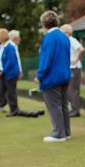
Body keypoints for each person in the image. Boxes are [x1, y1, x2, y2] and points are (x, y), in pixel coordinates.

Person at [34, 10, 71, 142]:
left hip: (52, 78)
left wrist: (39, 76)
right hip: (65, 76)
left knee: (54, 106)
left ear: (44, 24)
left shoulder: (49, 38)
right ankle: (66, 132)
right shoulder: (64, 37)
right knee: (63, 105)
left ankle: (58, 134)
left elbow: (46, 59)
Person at [0, 30, 23, 112]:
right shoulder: (0, 47)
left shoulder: (11, 46)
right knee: (0, 92)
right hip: (3, 74)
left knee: (10, 93)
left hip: (10, 74)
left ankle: (13, 110)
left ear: (3, 36)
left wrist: (20, 71)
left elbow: (12, 61)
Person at [60, 24, 85, 117]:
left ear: (66, 32)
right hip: (70, 68)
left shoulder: (71, 40)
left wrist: (76, 59)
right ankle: (73, 108)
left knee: (73, 89)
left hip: (74, 68)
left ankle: (75, 110)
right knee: (69, 89)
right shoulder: (67, 41)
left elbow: (81, 49)